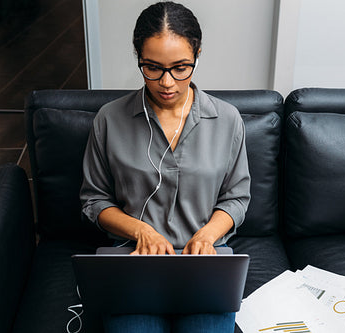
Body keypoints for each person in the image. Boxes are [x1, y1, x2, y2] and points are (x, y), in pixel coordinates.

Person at [79, 2, 251, 332]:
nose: (167, 82)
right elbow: (94, 201)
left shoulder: (227, 120)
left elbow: (236, 199)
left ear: (197, 55)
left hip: (204, 262)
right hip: (133, 259)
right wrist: (140, 230)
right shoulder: (109, 119)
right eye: (152, 68)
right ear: (138, 58)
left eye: (181, 67)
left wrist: (208, 235)